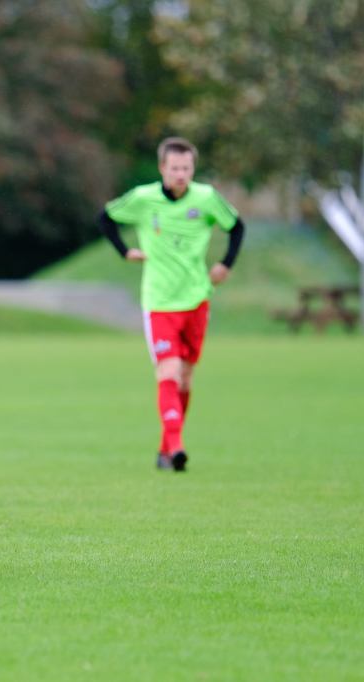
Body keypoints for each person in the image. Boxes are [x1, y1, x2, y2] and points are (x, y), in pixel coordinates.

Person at [99, 136, 245, 472]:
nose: (181, 174)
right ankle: (177, 446)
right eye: (175, 168)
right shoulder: (143, 198)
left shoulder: (206, 198)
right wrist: (125, 251)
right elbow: (105, 218)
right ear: (162, 168)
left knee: (186, 379)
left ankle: (165, 449)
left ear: (193, 169)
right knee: (169, 371)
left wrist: (225, 264)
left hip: (196, 299)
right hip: (160, 301)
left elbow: (237, 227)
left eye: (187, 168)